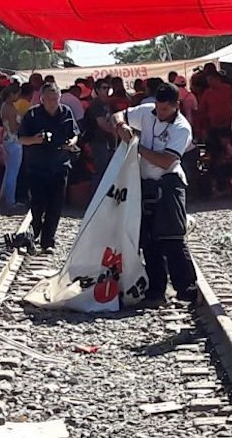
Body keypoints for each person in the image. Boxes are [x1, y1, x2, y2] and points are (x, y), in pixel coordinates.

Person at [114, 84, 199, 305]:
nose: (160, 113)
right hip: (144, 182)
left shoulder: (182, 128)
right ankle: (156, 290)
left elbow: (167, 160)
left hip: (169, 182)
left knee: (172, 238)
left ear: (176, 106)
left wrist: (136, 146)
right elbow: (117, 115)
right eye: (158, 108)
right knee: (149, 240)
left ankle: (187, 289)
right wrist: (122, 126)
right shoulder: (146, 112)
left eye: (164, 110)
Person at [19, 84, 79, 253]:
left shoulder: (66, 112)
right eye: (49, 99)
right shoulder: (32, 114)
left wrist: (72, 142)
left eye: (56, 99)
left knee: (56, 206)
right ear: (42, 99)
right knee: (38, 204)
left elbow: (75, 133)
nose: (53, 103)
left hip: (59, 165)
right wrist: (35, 140)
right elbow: (22, 139)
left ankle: (48, 241)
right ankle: (35, 232)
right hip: (37, 167)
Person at [82, 81, 116, 193]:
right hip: (97, 141)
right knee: (100, 171)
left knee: (107, 170)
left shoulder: (106, 104)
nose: (107, 90)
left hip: (106, 141)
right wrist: (116, 132)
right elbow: (101, 123)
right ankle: (95, 199)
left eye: (108, 88)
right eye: (104, 88)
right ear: (97, 90)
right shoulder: (96, 104)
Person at [0, 85, 24, 209]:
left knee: (9, 170)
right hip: (13, 140)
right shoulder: (10, 108)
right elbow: (14, 128)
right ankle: (10, 200)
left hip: (7, 139)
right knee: (13, 172)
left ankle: (4, 196)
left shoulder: (4, 106)